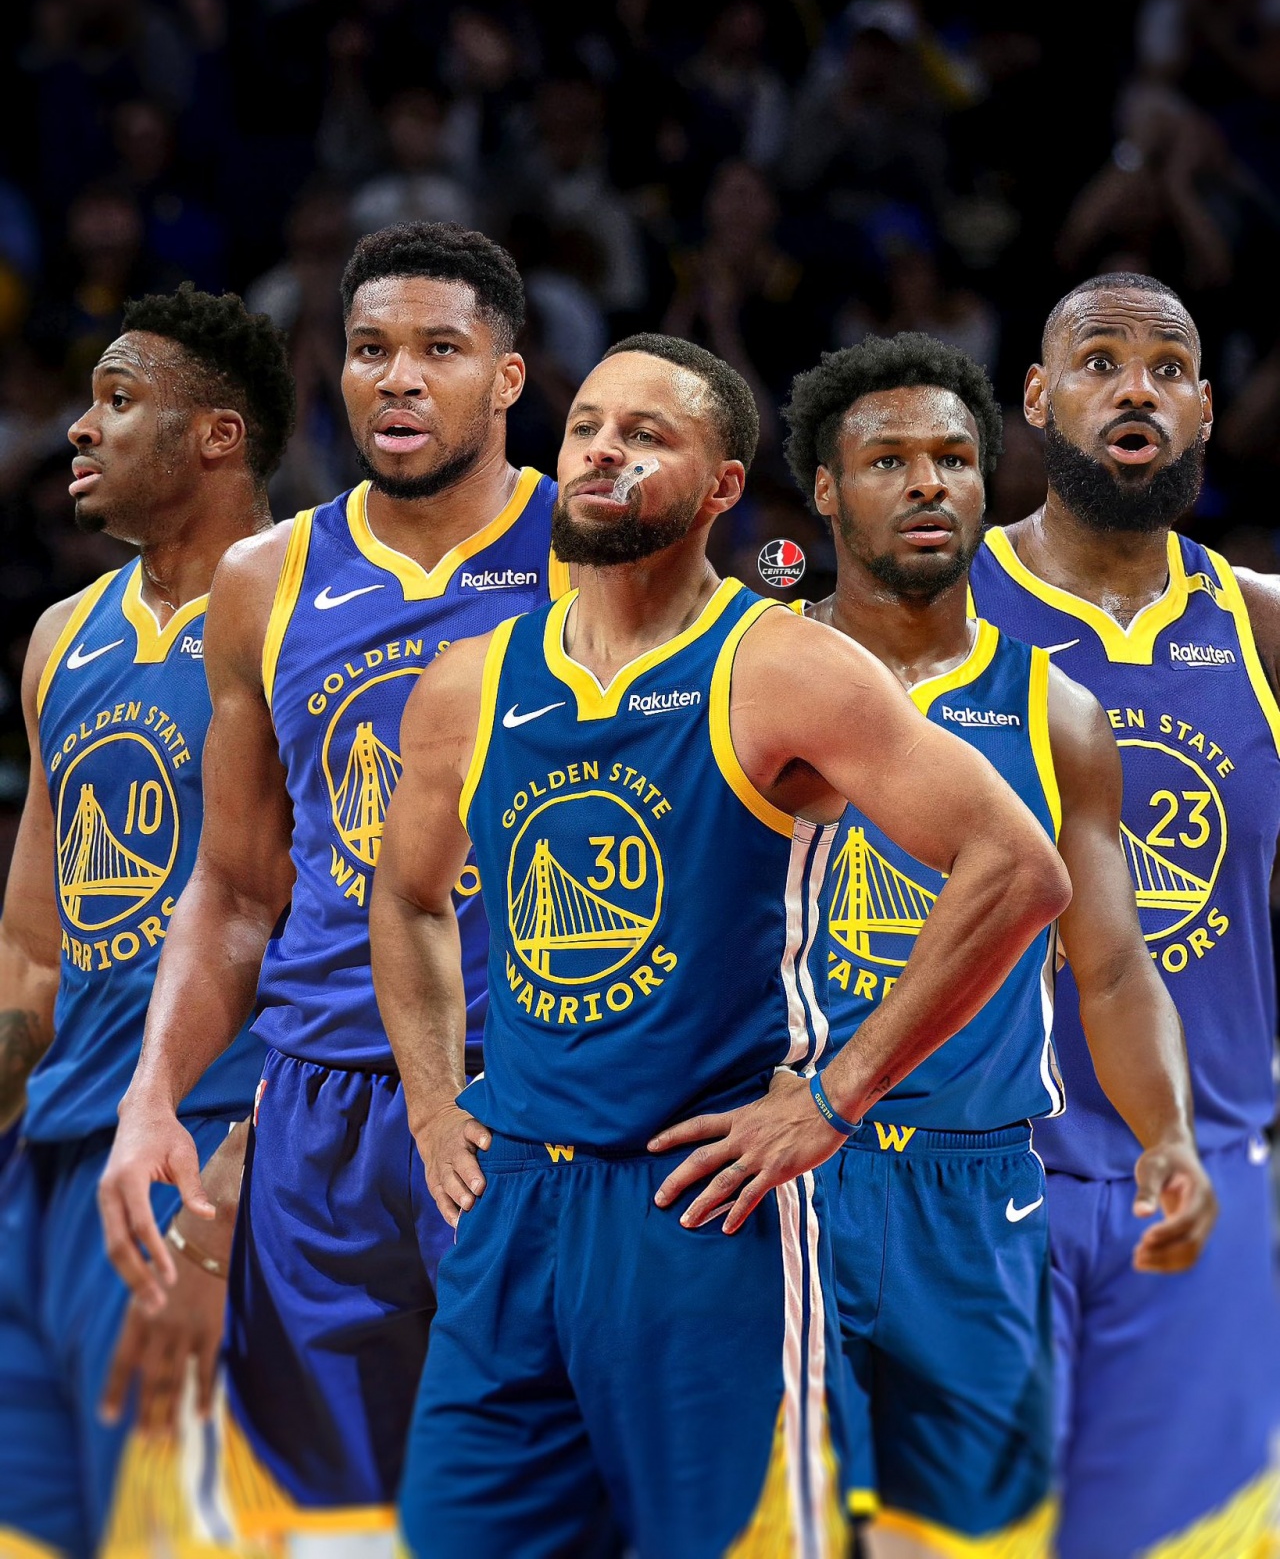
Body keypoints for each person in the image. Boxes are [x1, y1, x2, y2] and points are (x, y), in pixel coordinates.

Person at [369, 332, 1071, 1557]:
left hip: (704, 1206)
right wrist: (432, 1102)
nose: (602, 452)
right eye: (586, 428)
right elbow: (409, 898)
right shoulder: (465, 685)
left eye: (644, 435)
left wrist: (838, 1097)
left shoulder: (789, 668)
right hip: (516, 1203)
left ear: (720, 487)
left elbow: (1016, 867)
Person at [96, 222, 566, 1544]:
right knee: (333, 1521)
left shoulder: (592, 552)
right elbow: (237, 885)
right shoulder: (263, 580)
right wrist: (153, 1095)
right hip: (320, 1119)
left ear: (508, 377)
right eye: (369, 350)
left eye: (438, 349)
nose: (397, 377)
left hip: (526, 1097)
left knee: (533, 1505)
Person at [784, 332, 1216, 1558]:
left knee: (965, 1543)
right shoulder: (748, 674)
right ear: (824, 490)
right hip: (782, 1169)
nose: (927, 482)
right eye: (887, 460)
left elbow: (1111, 964)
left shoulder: (1056, 712)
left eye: (953, 457)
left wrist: (1165, 1131)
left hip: (974, 1189)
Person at [968, 270, 1280, 1558]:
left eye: (1164, 368)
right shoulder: (926, 605)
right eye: (1098, 363)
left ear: (1201, 409)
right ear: (1037, 399)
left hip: (1205, 1176)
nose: (1133, 389)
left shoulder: (1260, 625)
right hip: (975, 1171)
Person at [0, 286, 293, 1559]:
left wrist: (241, 1182)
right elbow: (32, 947)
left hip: (207, 1155)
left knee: (171, 1532)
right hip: (50, 1165)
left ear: (217, 436)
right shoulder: (61, 637)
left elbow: (355, 935)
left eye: (118, 401)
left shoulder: (310, 618)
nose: (80, 428)